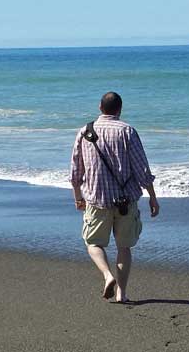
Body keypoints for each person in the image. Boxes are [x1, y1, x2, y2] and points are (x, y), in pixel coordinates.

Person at [70, 91, 160, 303]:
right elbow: (142, 169)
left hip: (96, 198)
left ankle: (107, 275)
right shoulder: (127, 131)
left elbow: (76, 170)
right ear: (120, 109)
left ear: (100, 108)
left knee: (93, 243)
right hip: (125, 200)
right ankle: (122, 293)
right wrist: (153, 198)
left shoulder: (85, 131)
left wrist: (78, 197)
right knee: (124, 247)